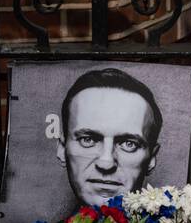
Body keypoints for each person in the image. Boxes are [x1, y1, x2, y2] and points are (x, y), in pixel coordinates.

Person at [57, 67, 163, 209]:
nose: (106, 163)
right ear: (62, 149)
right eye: (88, 140)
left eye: (129, 144)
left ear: (151, 159)